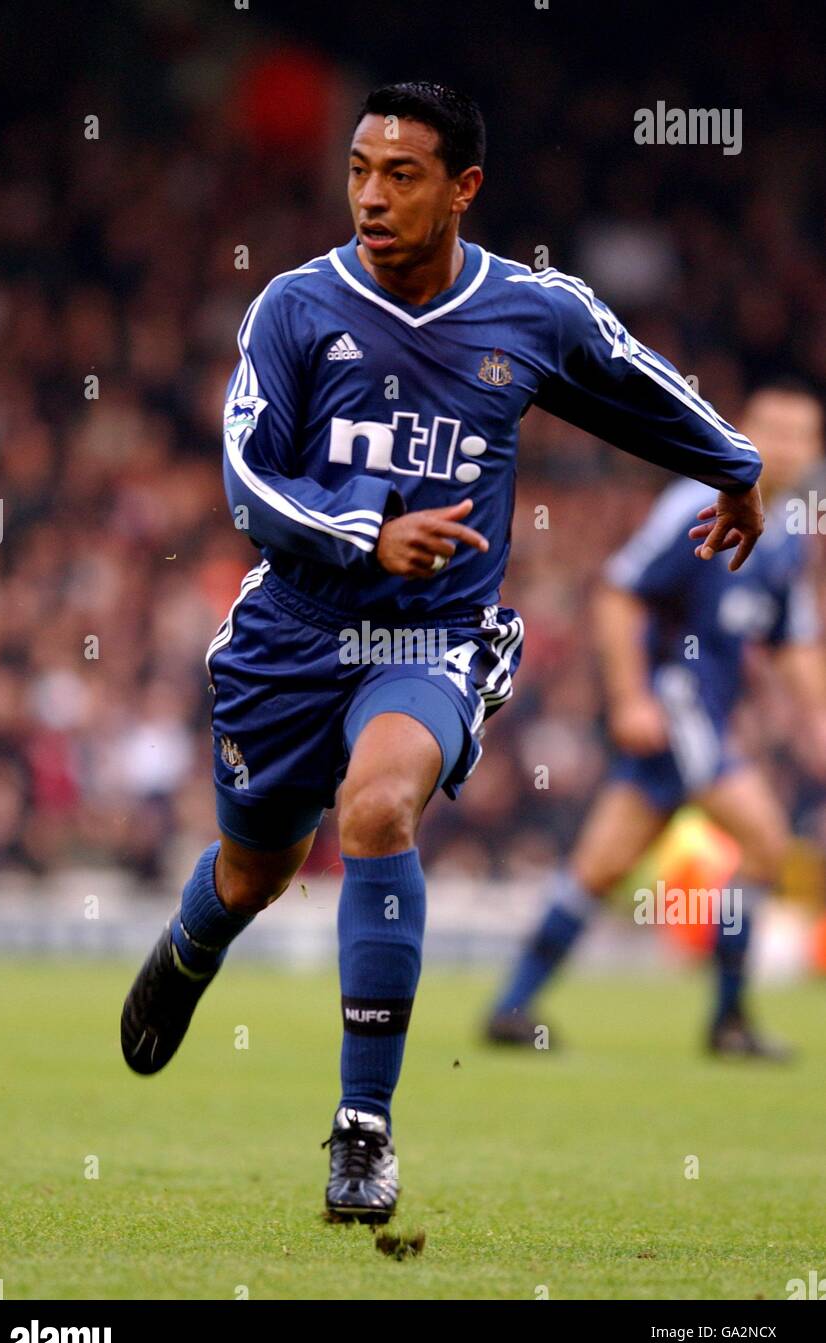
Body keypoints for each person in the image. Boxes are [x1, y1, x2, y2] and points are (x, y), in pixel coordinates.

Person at [121, 81, 764, 1223]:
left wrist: (731, 462)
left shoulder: (530, 312)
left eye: (400, 174)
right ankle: (190, 942)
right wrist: (367, 531)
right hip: (290, 634)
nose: (371, 195)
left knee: (376, 811)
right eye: (360, 171)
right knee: (253, 872)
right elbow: (248, 479)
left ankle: (361, 1129)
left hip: (434, 637)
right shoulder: (294, 307)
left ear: (463, 189)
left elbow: (627, 381)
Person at [487, 381, 826, 1059]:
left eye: (801, 434)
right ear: (743, 431)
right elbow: (619, 593)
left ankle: (511, 1007)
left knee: (601, 867)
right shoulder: (700, 504)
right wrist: (632, 696)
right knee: (763, 844)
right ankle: (729, 1022)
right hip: (677, 707)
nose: (785, 446)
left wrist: (816, 718)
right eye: (772, 429)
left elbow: (790, 643)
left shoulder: (787, 535)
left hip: (698, 718)